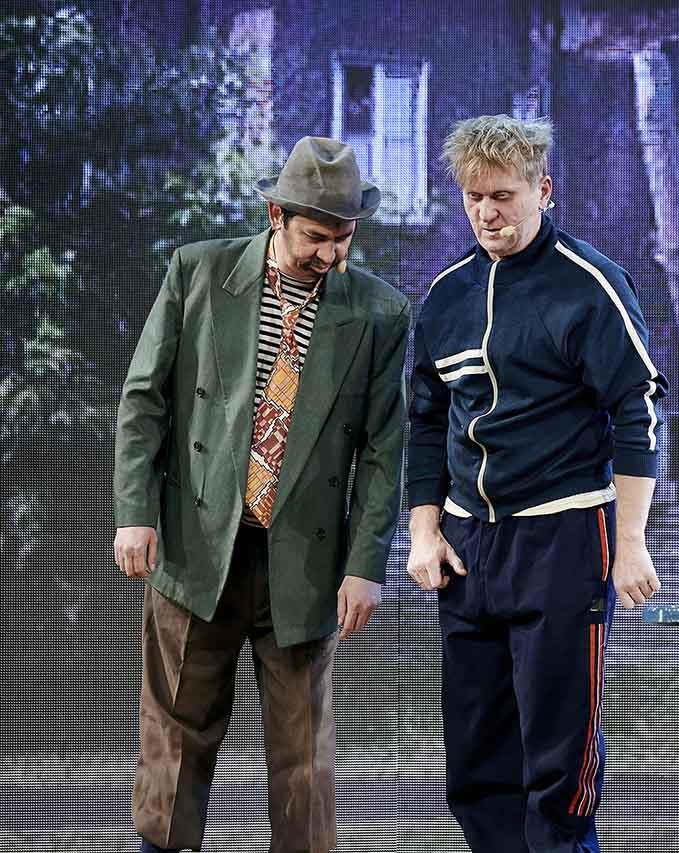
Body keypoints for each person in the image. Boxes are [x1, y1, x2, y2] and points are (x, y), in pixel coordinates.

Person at [113, 137, 410, 853]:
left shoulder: (380, 312)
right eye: (317, 236)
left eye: (343, 238)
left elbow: (382, 450)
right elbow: (144, 400)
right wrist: (135, 513)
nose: (331, 254)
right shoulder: (199, 271)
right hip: (198, 545)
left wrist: (365, 564)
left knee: (304, 755)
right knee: (175, 735)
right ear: (277, 216)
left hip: (303, 560)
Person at [405, 114, 669, 853]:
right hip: (467, 544)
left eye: (504, 196)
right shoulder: (446, 295)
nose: (488, 213)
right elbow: (425, 419)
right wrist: (424, 530)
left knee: (559, 766)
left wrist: (631, 540)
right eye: (474, 198)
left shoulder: (590, 285)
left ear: (543, 190)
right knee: (476, 764)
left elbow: (638, 410)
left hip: (564, 535)